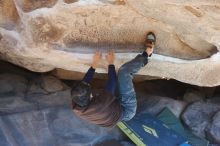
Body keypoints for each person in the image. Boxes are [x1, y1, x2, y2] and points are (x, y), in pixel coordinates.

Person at [71, 32, 156, 127]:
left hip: (112, 109)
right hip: (126, 110)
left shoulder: (76, 103)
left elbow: (84, 84)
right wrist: (111, 62)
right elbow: (112, 81)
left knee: (112, 88)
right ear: (90, 97)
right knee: (124, 73)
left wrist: (94, 63)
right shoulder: (100, 103)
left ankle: (113, 102)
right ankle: (147, 54)